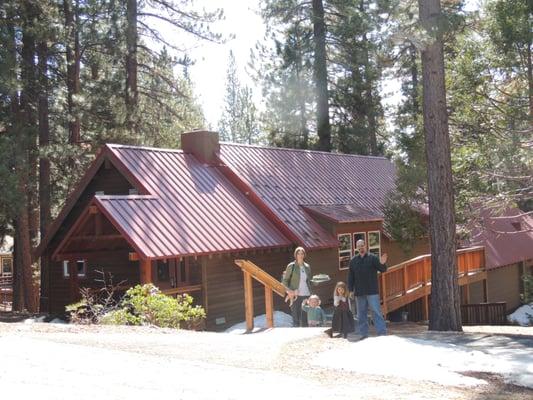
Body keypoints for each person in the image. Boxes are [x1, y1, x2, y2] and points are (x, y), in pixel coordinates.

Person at [348, 239, 388, 338]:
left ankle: (382, 333)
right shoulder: (353, 261)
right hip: (359, 292)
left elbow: (383, 269)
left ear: (366, 246)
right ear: (356, 248)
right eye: (359, 246)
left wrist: (383, 263)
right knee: (361, 314)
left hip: (372, 291)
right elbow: (350, 277)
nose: (361, 247)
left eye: (362, 245)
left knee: (376, 312)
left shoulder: (373, 258)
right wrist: (350, 290)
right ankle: (363, 334)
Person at [282, 247, 312, 327]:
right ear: (295, 255)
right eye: (298, 253)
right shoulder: (291, 266)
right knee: (296, 319)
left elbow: (309, 281)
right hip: (295, 295)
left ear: (304, 255)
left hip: (306, 294)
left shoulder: (307, 266)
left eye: (302, 253)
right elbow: (285, 281)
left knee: (305, 318)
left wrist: (315, 283)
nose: (300, 255)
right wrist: (289, 291)